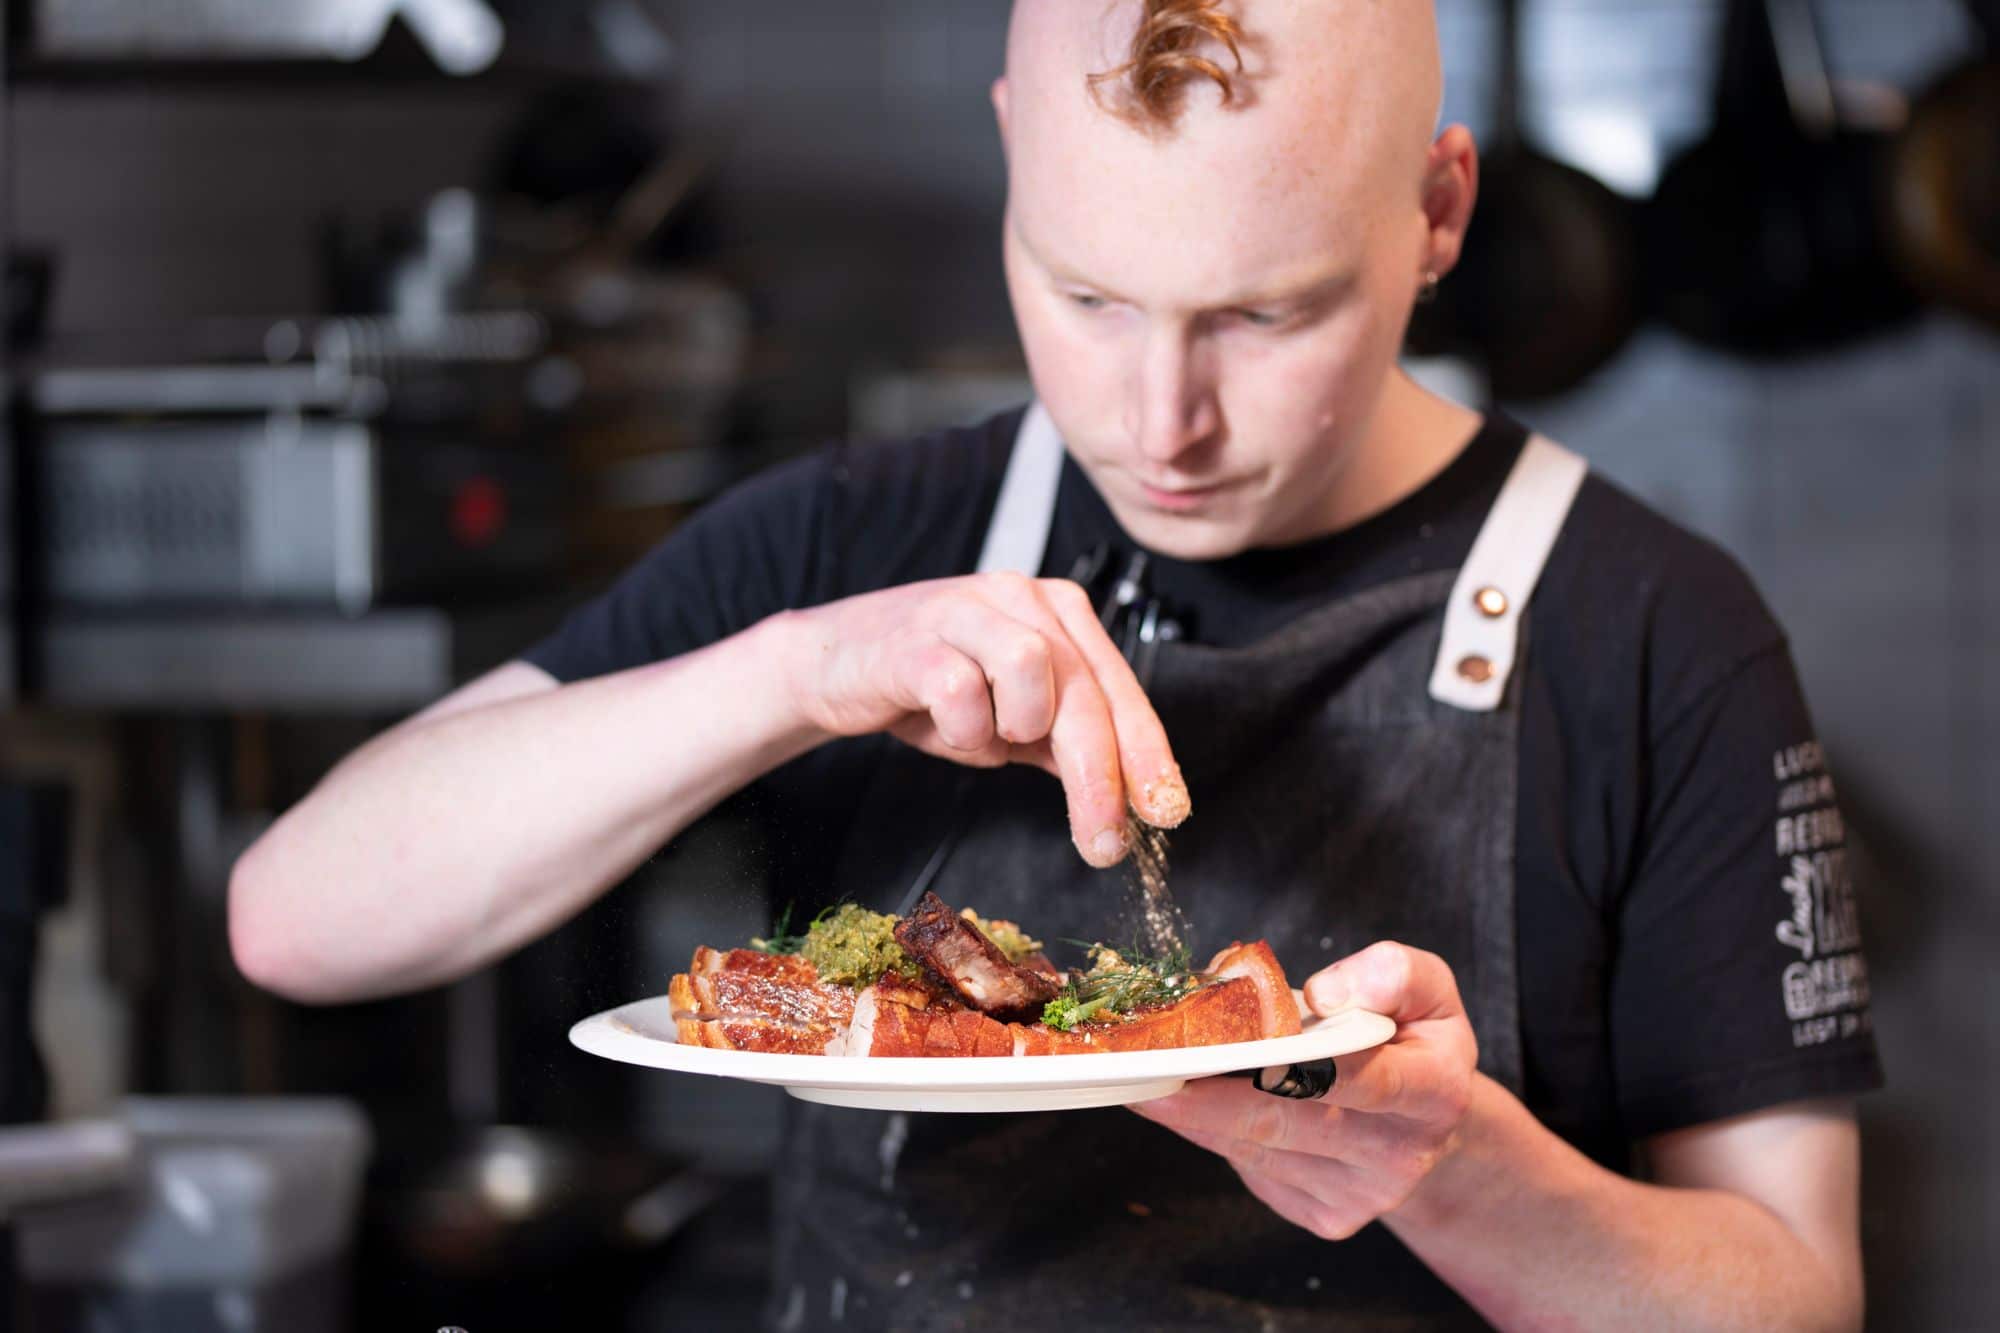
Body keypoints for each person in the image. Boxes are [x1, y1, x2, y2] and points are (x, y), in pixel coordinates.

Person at [229, 2, 1882, 1328]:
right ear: (1017, 154)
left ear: (1439, 209)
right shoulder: (849, 543)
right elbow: (297, 915)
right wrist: (789, 674)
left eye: (1266, 315)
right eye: (1085, 293)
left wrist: (1451, 1164)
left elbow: (1797, 1298)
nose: (1159, 421)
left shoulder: (1657, 630)